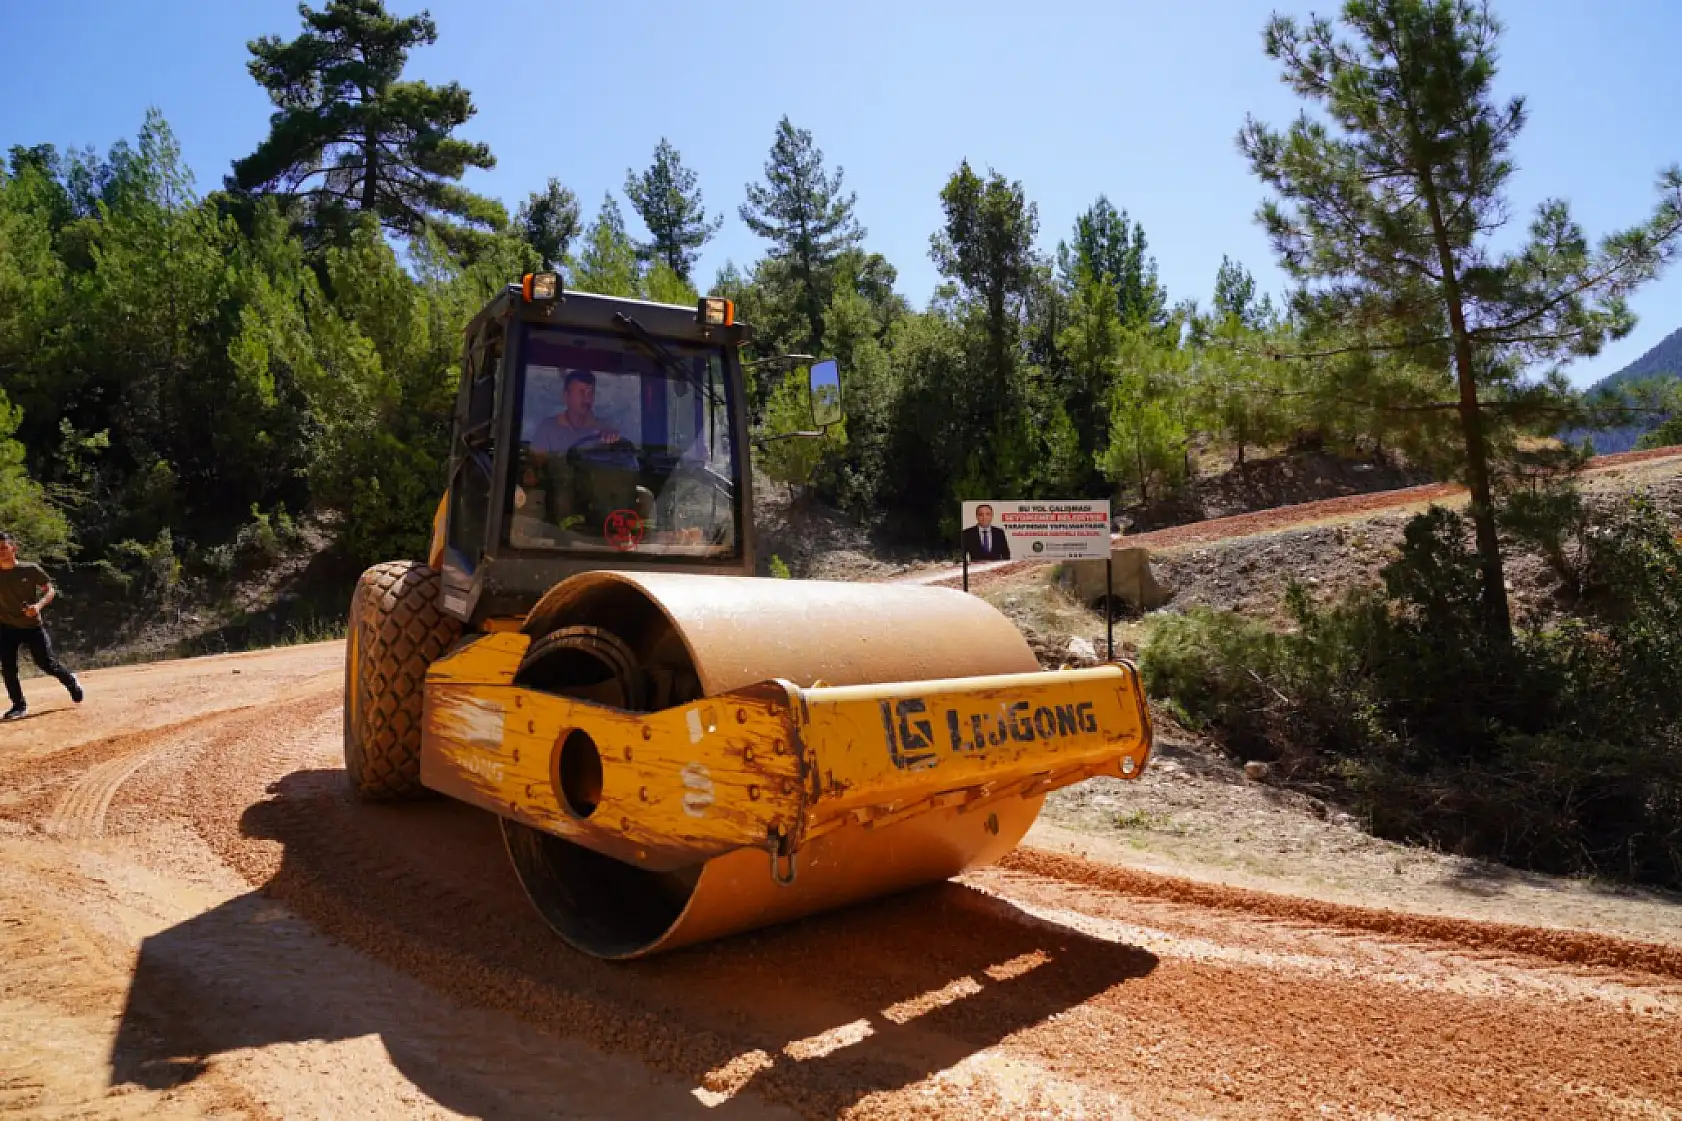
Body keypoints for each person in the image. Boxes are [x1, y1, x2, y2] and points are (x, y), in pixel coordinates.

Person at [0, 531, 83, 721]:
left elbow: (50, 589)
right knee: (8, 668)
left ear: (14, 548)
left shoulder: (30, 570)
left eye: (4, 548)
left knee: (47, 664)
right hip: (6, 627)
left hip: (32, 626)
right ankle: (18, 705)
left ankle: (70, 681)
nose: (1, 553)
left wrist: (38, 606)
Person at [530, 370, 623, 455]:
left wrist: (613, 438)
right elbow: (536, 463)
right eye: (581, 392)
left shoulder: (605, 428)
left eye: (591, 393)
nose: (587, 398)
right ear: (566, 396)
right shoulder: (548, 428)